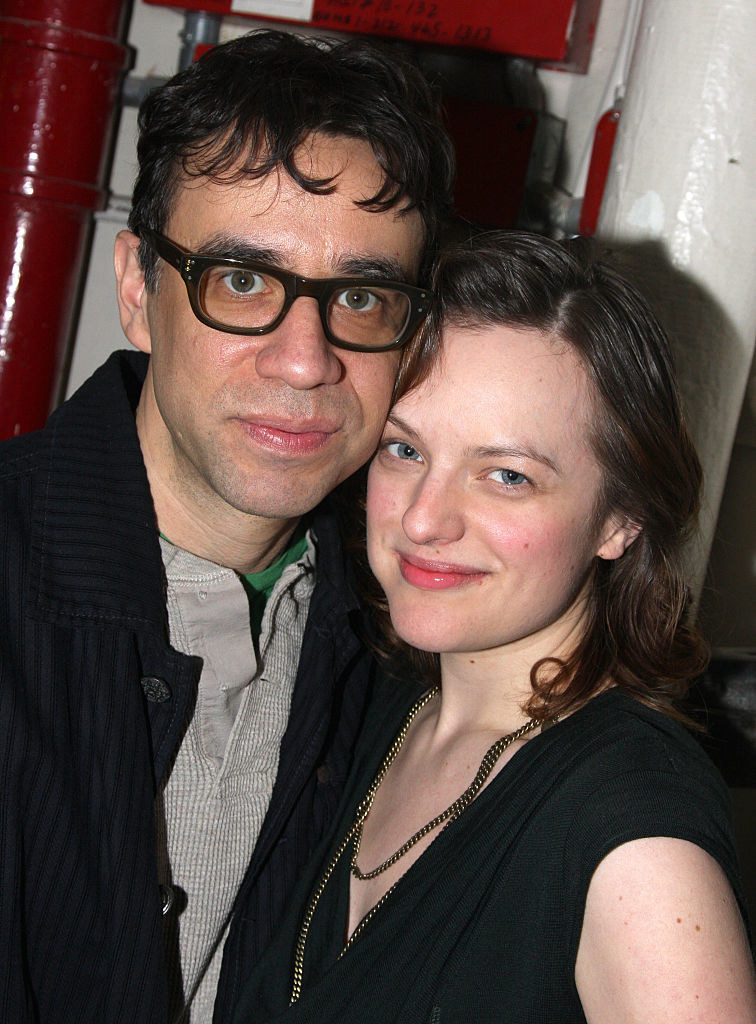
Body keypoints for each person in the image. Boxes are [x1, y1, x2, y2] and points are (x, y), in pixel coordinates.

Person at [0, 29, 454, 1024]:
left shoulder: (401, 638)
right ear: (137, 290)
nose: (305, 360)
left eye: (363, 297)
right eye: (242, 280)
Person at [233, 232, 756, 1023]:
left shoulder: (635, 836)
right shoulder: (373, 707)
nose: (423, 517)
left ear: (620, 518)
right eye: (405, 450)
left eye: (506, 475)